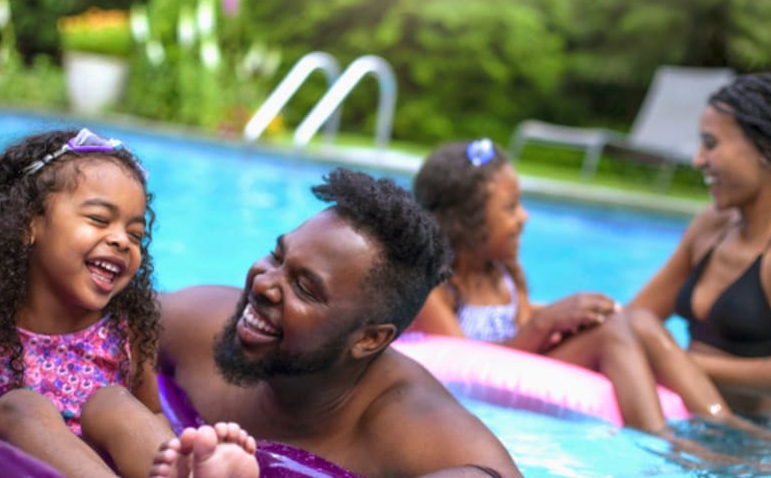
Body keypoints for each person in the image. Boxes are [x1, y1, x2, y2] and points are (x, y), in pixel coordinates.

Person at [409, 136, 771, 453]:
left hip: (522, 365)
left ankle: (732, 427)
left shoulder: (504, 276)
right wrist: (545, 323)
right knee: (614, 333)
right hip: (474, 395)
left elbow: (518, 331)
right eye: (509, 207)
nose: (524, 217)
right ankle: (674, 448)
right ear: (464, 222)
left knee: (639, 321)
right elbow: (465, 366)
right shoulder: (435, 289)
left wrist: (564, 316)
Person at [157, 167, 522, 478]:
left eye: (304, 287)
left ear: (370, 339)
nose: (264, 283)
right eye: (277, 255)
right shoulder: (198, 325)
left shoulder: (412, 429)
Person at [0, 128, 252, 478]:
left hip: (104, 463)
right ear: (28, 224)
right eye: (99, 220)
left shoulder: (125, 328)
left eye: (135, 235)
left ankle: (188, 474)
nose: (121, 240)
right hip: (17, 465)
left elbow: (153, 413)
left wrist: (168, 446)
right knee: (19, 406)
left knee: (114, 402)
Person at [622, 72, 771, 418]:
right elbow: (635, 318)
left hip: (762, 445)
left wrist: (673, 359)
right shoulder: (712, 224)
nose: (698, 160)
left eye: (711, 144)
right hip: (690, 421)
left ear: (767, 150)